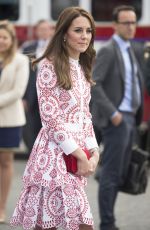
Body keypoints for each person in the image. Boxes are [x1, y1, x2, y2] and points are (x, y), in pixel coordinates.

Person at [10, 6, 100, 230]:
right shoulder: (49, 67)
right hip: (53, 155)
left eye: (88, 31)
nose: (84, 36)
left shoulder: (82, 69)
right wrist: (79, 153)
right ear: (64, 34)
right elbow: (50, 119)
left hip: (76, 155)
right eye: (78, 30)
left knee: (75, 223)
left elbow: (85, 116)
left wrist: (94, 151)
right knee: (63, 224)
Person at [91, 5, 144, 230]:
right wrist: (113, 114)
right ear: (115, 25)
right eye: (126, 22)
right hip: (117, 120)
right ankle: (107, 224)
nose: (131, 27)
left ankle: (109, 221)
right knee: (111, 175)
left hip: (131, 119)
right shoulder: (109, 50)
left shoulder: (132, 49)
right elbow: (95, 84)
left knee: (120, 172)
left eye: (133, 22)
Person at [0, 20, 29, 223]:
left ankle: (0, 207)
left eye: (4, 38)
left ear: (12, 40)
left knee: (5, 162)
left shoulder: (20, 60)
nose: (1, 41)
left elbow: (18, 91)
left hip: (9, 120)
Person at [21, 19, 54, 154]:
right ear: (36, 31)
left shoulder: (57, 47)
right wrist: (23, 97)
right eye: (41, 29)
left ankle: (48, 152)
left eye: (47, 29)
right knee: (31, 124)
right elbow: (24, 73)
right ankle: (34, 151)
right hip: (32, 93)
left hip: (50, 93)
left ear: (51, 31)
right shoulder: (29, 48)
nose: (44, 32)